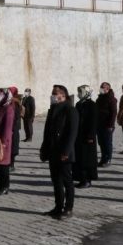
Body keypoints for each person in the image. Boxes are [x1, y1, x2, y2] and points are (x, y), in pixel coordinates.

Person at [40, 85, 78, 220]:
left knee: (67, 181)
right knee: (56, 181)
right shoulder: (53, 109)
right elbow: (47, 131)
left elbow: (72, 133)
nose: (53, 96)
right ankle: (58, 206)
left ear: (63, 95)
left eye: (55, 93)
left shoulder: (70, 110)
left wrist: (66, 151)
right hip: (53, 151)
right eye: (52, 93)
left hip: (64, 152)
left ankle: (68, 208)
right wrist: (44, 148)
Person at [73, 85, 98, 189]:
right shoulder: (78, 104)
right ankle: (81, 178)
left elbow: (93, 122)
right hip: (79, 136)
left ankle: (88, 180)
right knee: (79, 158)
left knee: (87, 159)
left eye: (81, 92)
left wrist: (91, 136)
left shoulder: (92, 105)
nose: (79, 94)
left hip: (88, 137)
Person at [0, 88, 14, 195]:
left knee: (3, 165)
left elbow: (7, 127)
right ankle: (1, 185)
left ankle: (5, 186)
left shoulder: (8, 109)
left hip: (4, 141)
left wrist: (3, 142)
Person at [96, 82, 117, 167]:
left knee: (107, 143)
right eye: (101, 87)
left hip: (107, 125)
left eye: (103, 87)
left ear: (107, 89)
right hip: (99, 124)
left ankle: (108, 159)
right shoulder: (100, 98)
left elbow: (114, 112)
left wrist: (110, 125)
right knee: (101, 142)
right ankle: (103, 158)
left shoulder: (111, 99)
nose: (101, 88)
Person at [10, 87, 22, 171]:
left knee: (12, 148)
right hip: (11, 128)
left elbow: (16, 117)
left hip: (13, 128)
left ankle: (11, 164)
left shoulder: (15, 103)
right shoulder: (10, 102)